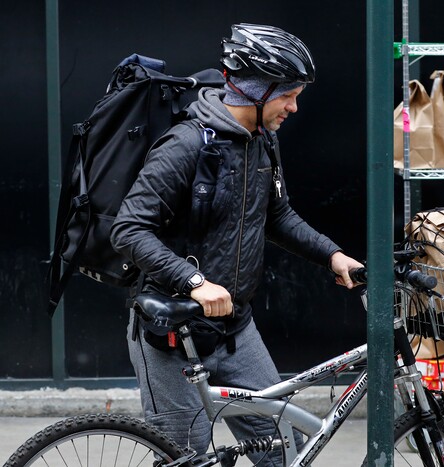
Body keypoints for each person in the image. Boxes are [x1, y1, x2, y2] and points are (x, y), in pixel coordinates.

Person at [110, 22, 363, 464]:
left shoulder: (263, 142)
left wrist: (332, 255)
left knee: (284, 447)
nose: (294, 107)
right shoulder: (185, 145)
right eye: (288, 95)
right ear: (257, 89)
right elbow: (129, 229)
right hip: (171, 331)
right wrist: (193, 281)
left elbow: (278, 215)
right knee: (185, 456)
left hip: (234, 329)